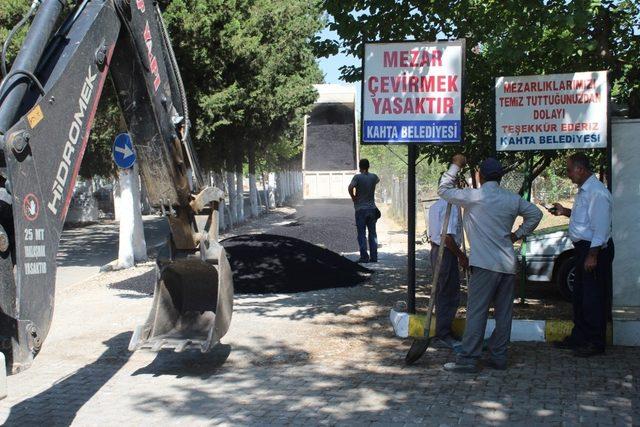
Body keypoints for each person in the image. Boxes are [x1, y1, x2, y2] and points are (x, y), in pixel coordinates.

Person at [439, 154, 542, 373]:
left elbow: (443, 190)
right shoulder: (511, 199)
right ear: (501, 178)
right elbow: (535, 213)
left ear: (481, 176)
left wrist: (455, 164)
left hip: (485, 265)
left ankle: (468, 359)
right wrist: (517, 235)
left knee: (477, 312)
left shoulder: (475, 196)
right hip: (507, 264)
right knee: (504, 314)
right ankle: (499, 357)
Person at [550, 153, 613, 357]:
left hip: (594, 250)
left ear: (580, 169)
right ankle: (580, 337)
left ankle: (595, 342)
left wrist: (592, 255)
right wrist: (565, 212)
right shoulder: (585, 191)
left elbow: (601, 228)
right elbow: (584, 217)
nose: (568, 174)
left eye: (569, 170)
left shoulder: (597, 192)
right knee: (580, 296)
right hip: (583, 249)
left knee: (593, 297)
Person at [428, 195, 468, 348]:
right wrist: (461, 256)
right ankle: (443, 333)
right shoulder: (450, 207)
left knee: (443, 291)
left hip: (437, 250)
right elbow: (448, 238)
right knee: (448, 293)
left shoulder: (436, 205)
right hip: (445, 252)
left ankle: (445, 330)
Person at [348, 158, 380, 263]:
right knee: (373, 233)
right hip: (372, 209)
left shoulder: (357, 177)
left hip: (360, 209)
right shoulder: (374, 177)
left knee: (361, 234)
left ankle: (364, 257)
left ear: (359, 166)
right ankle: (374, 257)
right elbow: (377, 180)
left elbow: (350, 187)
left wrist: (353, 197)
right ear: (368, 166)